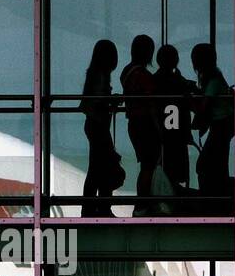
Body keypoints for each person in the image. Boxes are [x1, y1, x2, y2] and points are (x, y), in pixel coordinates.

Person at [80, 39, 122, 217]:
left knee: (97, 168)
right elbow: (98, 101)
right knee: (100, 168)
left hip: (94, 125)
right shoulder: (100, 75)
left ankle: (91, 208)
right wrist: (112, 101)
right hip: (98, 126)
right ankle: (101, 207)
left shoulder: (95, 73)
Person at [190, 43, 234, 210]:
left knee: (205, 165)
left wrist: (189, 101)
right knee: (217, 164)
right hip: (223, 125)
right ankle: (217, 200)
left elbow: (204, 107)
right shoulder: (215, 79)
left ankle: (210, 202)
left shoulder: (213, 81)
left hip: (221, 126)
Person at [120, 35, 160, 213]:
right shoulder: (143, 75)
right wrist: (159, 128)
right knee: (149, 165)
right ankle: (144, 203)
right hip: (146, 124)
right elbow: (151, 104)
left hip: (135, 123)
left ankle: (142, 203)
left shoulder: (127, 71)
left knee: (146, 164)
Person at [152, 44, 198, 194]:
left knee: (166, 167)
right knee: (176, 168)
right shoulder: (177, 81)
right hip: (176, 132)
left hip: (164, 131)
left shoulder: (156, 80)